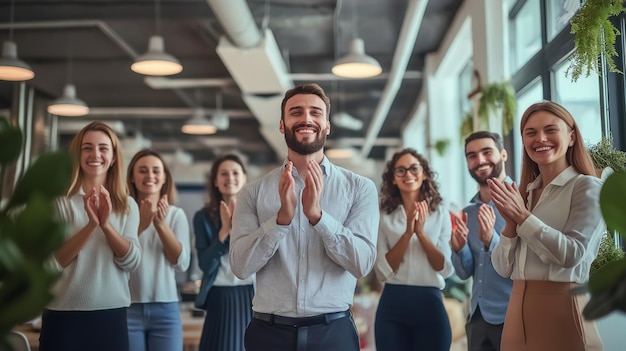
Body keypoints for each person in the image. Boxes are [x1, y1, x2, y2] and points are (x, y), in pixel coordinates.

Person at [229, 83, 379, 351]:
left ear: (327, 125)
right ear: (282, 124)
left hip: (333, 333)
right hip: (268, 334)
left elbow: (362, 264)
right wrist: (281, 221)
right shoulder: (253, 192)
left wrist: (319, 217)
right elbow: (240, 267)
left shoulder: (360, 188)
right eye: (296, 112)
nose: (306, 119)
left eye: (315, 112)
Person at [487, 101, 604, 351]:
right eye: (531, 133)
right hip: (517, 310)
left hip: (562, 309)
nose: (540, 138)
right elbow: (502, 268)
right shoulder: (526, 193)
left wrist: (522, 217)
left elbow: (571, 254)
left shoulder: (587, 187)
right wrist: (510, 226)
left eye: (551, 130)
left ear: (571, 137)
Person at [39, 121, 141, 351]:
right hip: (62, 316)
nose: (95, 154)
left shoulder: (128, 206)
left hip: (111, 316)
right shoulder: (58, 202)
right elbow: (51, 263)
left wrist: (105, 225)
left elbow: (132, 261)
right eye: (87, 148)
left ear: (113, 157)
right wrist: (90, 226)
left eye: (103, 148)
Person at [373, 148, 454, 351]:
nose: (408, 174)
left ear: (424, 173)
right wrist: (408, 233)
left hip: (430, 306)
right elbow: (383, 270)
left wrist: (421, 234)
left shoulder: (440, 213)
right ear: (393, 179)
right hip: (392, 307)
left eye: (414, 168)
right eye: (400, 170)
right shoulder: (383, 215)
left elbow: (445, 268)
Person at [450, 131, 513, 351]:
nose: (480, 160)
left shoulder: (522, 202)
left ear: (503, 154)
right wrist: (459, 250)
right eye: (472, 156)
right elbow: (464, 272)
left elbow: (524, 263)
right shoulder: (468, 212)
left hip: (511, 316)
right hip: (477, 318)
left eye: (487, 152)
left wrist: (491, 241)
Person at [126, 149, 191, 351]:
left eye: (156, 171)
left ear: (164, 178)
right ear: (132, 178)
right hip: (127, 308)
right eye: (143, 170)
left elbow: (181, 263)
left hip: (166, 309)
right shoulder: (122, 214)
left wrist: (161, 225)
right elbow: (117, 257)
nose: (150, 176)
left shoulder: (175, 215)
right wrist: (141, 225)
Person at [193, 153, 254, 351]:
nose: (230, 178)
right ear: (216, 181)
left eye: (235, 173)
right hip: (220, 295)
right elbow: (205, 264)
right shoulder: (202, 217)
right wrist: (223, 233)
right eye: (224, 174)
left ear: (244, 177)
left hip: (253, 294)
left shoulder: (257, 213)